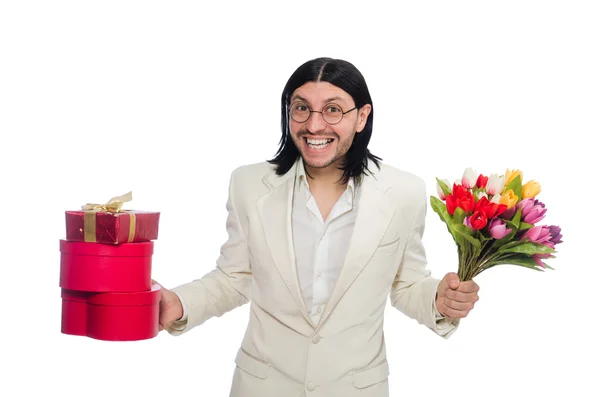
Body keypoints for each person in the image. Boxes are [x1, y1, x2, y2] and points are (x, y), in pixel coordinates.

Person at [154, 57, 480, 397]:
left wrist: (439, 301)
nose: (314, 125)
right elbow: (235, 277)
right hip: (262, 387)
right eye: (301, 108)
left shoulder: (403, 192)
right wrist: (180, 303)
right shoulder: (248, 184)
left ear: (361, 117)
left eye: (333, 110)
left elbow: (406, 283)